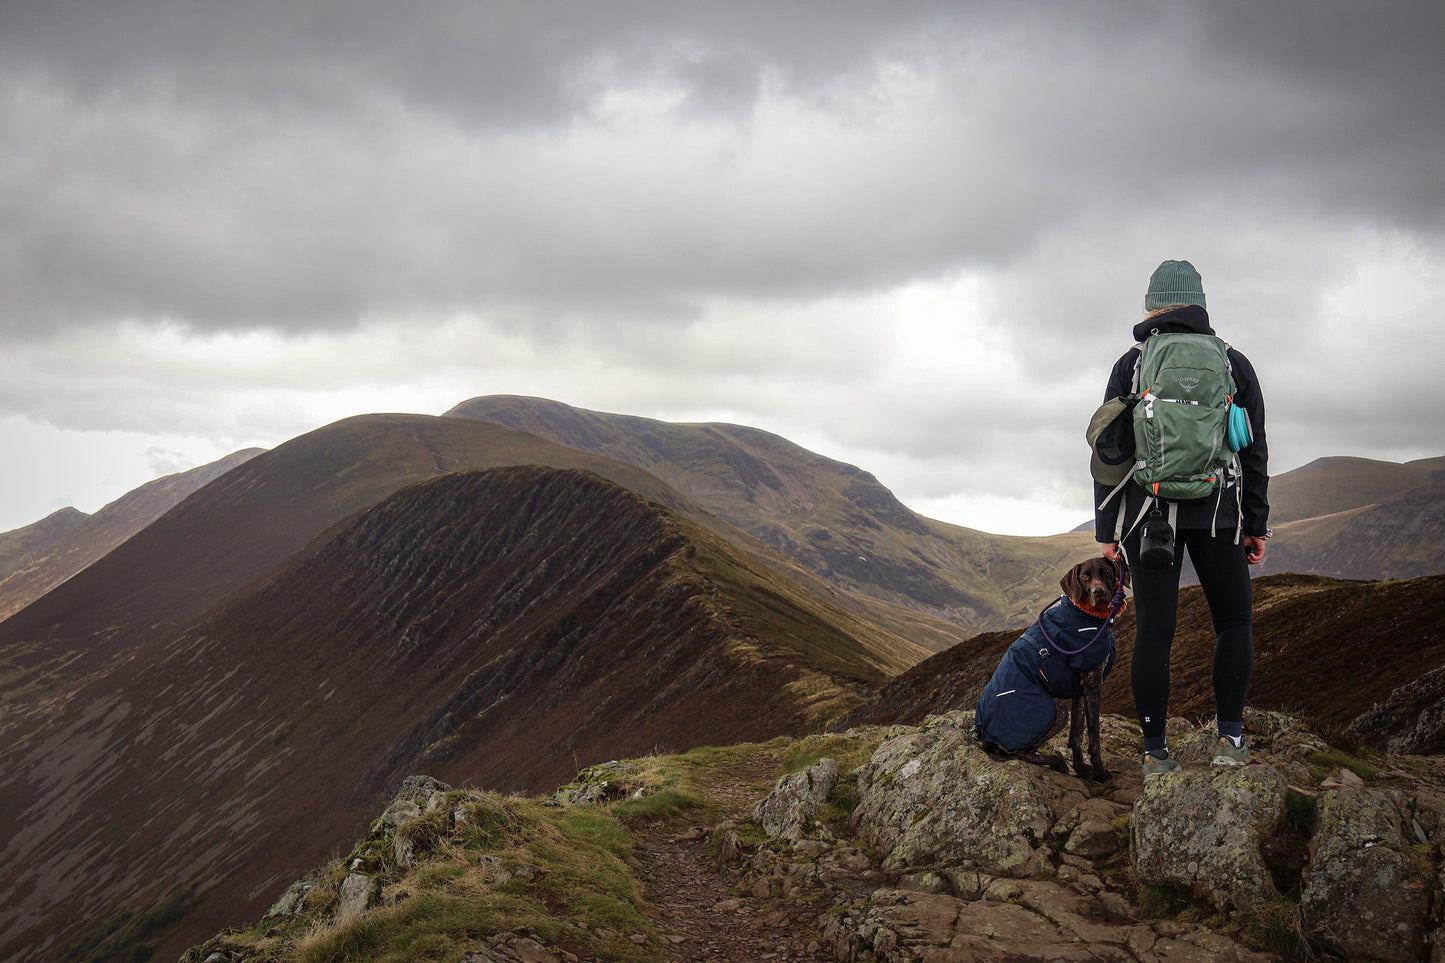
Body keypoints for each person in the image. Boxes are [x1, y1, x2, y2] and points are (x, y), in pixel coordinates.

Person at [1094, 259, 1270, 779]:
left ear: (1152, 306)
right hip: (1219, 512)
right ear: (1199, 304)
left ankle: (1154, 751)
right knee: (1233, 622)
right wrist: (1256, 523)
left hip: (1150, 520)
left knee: (1154, 631)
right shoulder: (1233, 363)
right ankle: (1230, 738)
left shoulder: (1133, 364)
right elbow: (1254, 450)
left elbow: (1109, 453)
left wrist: (1107, 531)